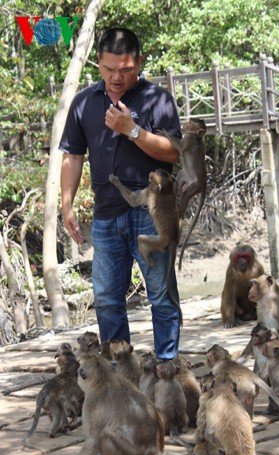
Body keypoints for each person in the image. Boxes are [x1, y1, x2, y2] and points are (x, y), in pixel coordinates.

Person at [59, 28, 182, 360]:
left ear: (139, 62)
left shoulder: (157, 99)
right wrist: (66, 204)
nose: (117, 76)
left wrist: (133, 130)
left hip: (153, 215)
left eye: (126, 69)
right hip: (106, 216)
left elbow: (172, 152)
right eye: (110, 68)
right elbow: (72, 155)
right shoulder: (84, 102)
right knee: (107, 299)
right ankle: (119, 374)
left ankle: (167, 368)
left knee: (161, 295)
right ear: (98, 62)